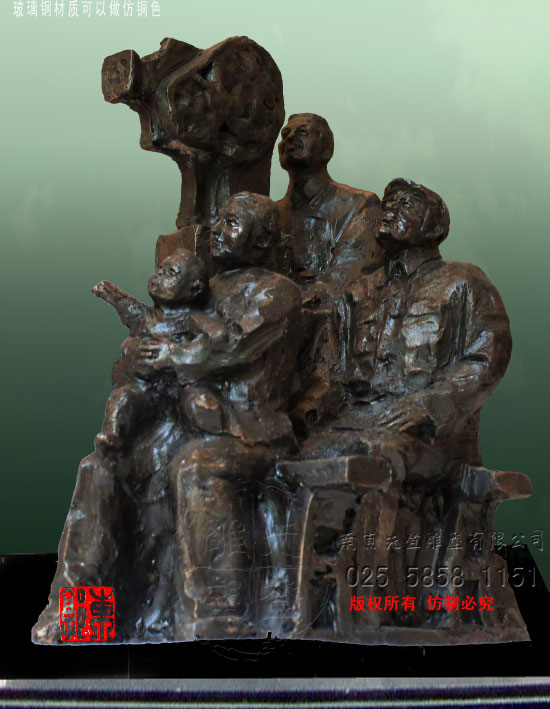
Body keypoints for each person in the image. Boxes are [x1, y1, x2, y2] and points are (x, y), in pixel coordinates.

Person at [140, 191, 303, 637]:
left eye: (231, 222)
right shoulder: (204, 287)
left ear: (262, 239)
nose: (217, 229)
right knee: (115, 464)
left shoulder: (278, 293)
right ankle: (113, 597)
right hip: (191, 419)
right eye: (220, 219)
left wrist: (173, 355)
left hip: (253, 431)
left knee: (197, 467)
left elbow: (235, 342)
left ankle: (219, 607)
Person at [300, 178, 512, 484]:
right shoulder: (358, 292)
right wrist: (314, 403)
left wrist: (429, 404)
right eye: (388, 205)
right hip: (353, 421)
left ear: (434, 227)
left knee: (371, 456)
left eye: (405, 204)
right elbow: (329, 366)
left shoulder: (463, 281)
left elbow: (488, 357)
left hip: (429, 432)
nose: (390, 211)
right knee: (293, 456)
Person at [91, 249, 217, 458]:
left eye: (170, 272)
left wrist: (178, 351)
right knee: (121, 398)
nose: (159, 275)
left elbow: (217, 337)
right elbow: (131, 310)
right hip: (144, 391)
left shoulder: (192, 320)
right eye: (160, 269)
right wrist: (112, 295)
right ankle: (111, 438)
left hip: (173, 394)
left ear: (194, 289)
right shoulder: (149, 317)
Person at [276, 112, 384, 291]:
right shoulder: (271, 214)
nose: (290, 138)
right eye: (285, 134)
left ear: (326, 150)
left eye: (302, 132)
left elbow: (349, 277)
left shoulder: (361, 205)